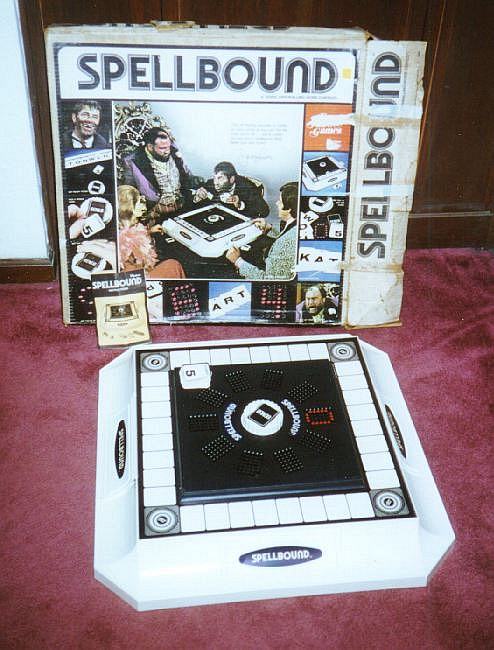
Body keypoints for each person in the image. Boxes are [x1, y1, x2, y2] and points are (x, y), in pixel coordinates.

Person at [225, 182, 298, 280]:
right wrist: (269, 229)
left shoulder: (285, 243)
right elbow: (285, 238)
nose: (276, 203)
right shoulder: (295, 224)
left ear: (289, 209)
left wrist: (238, 261)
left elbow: (270, 279)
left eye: (280, 202)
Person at [122, 126, 196, 218]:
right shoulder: (132, 161)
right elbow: (129, 192)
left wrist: (194, 183)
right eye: (162, 148)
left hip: (182, 205)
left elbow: (187, 176)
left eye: (168, 147)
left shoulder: (174, 152)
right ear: (150, 147)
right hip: (155, 211)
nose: (167, 151)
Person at [117, 184, 185, 278]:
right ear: (129, 207)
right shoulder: (123, 242)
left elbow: (135, 235)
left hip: (145, 271)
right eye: (139, 202)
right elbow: (133, 273)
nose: (143, 206)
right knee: (173, 265)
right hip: (141, 280)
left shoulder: (129, 228)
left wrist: (149, 231)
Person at [193, 161, 269, 218]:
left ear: (232, 179)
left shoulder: (247, 187)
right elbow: (196, 198)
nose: (215, 183)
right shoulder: (212, 183)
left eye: (220, 178)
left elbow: (264, 211)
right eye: (214, 178)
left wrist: (240, 204)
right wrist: (197, 198)